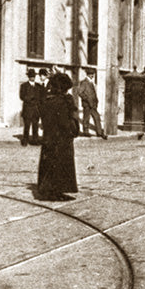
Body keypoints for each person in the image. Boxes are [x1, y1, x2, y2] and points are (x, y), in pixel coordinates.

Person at [36, 72, 79, 202]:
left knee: (48, 164)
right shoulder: (63, 102)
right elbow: (66, 123)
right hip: (61, 139)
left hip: (49, 138)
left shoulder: (47, 100)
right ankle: (57, 192)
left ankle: (48, 190)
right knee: (61, 165)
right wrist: (73, 129)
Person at [75, 69, 106, 139]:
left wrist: (96, 101)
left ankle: (99, 132)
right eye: (91, 74)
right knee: (86, 118)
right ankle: (86, 132)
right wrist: (86, 99)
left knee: (97, 117)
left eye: (93, 74)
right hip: (87, 104)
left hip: (93, 104)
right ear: (88, 74)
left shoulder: (91, 82)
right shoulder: (84, 82)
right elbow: (79, 92)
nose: (92, 75)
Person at [20, 69, 45, 145]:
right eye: (31, 76)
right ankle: (25, 140)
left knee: (35, 126)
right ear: (28, 77)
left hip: (36, 109)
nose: (32, 77)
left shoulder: (38, 86)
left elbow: (42, 96)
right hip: (27, 109)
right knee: (27, 126)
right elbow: (22, 96)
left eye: (33, 76)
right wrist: (30, 98)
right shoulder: (24, 86)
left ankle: (35, 140)